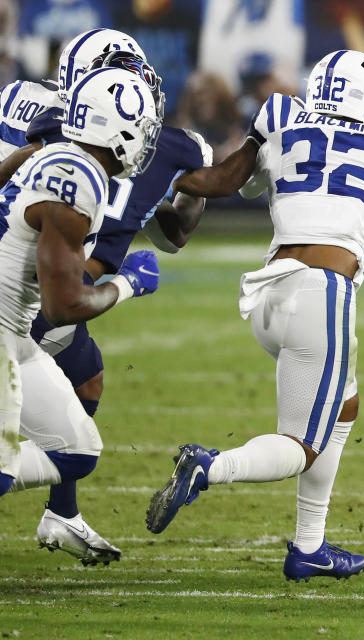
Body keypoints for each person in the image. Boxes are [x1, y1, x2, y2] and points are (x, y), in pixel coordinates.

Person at [145, 49, 364, 582]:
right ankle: (210, 466)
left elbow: (243, 184)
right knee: (299, 446)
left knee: (344, 407)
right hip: (323, 297)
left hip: (269, 296)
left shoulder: (280, 119)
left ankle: (310, 546)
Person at [0, 28, 210, 566]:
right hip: (44, 296)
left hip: (33, 295)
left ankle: (61, 512)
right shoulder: (78, 170)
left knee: (80, 438)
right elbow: (68, 300)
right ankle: (54, 508)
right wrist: (129, 283)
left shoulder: (30, 115)